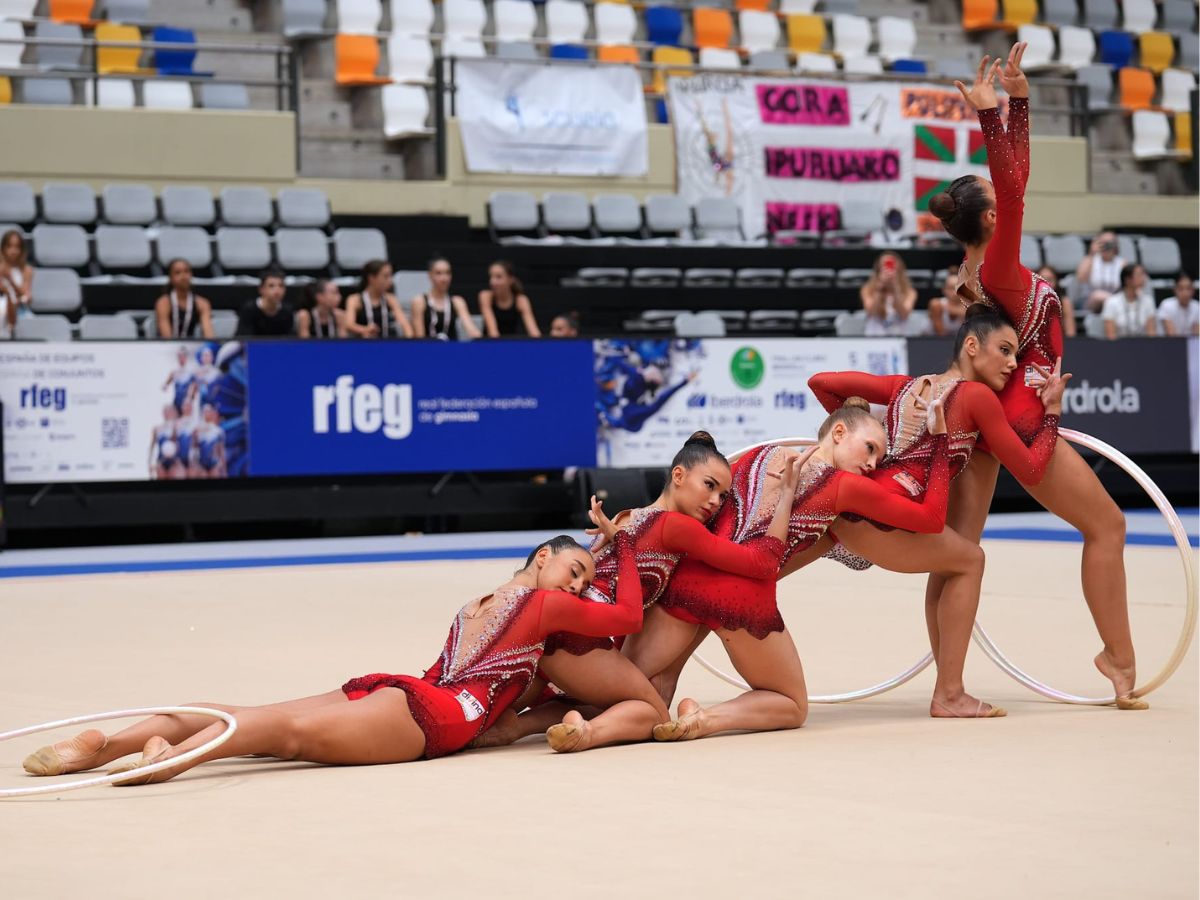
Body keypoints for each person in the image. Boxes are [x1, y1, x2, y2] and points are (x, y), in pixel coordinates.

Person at [20, 534, 644, 783]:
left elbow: (534, 703)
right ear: (542, 557)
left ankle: (108, 744)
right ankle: (163, 763)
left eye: (587, 578)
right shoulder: (541, 610)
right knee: (279, 733)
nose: (579, 586)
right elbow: (627, 619)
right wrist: (627, 551)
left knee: (255, 716)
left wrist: (596, 548)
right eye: (574, 570)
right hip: (435, 714)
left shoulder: (482, 600)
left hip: (405, 690)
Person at [933, 44, 1142, 708]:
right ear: (993, 220)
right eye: (1000, 201)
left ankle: (949, 687)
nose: (1011, 196)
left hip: (987, 405)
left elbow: (1014, 179)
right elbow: (1015, 181)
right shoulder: (997, 270)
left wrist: (1018, 102)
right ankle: (1119, 656)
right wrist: (997, 115)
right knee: (1108, 527)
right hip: (1019, 410)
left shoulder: (978, 270)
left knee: (959, 549)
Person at [476, 431, 801, 752]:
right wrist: (786, 492)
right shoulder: (676, 526)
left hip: (558, 629)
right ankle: (587, 732)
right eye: (709, 486)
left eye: (723, 496)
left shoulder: (627, 516)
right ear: (678, 475)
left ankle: (518, 726)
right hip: (578, 635)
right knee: (652, 712)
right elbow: (762, 564)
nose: (715, 502)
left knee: (609, 700)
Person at [411, 256, 479, 340]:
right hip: (428, 350)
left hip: (452, 350)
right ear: (430, 275)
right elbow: (419, 337)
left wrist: (482, 341)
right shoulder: (419, 301)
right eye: (438, 273)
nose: (444, 278)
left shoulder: (457, 301)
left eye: (447, 273)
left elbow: (471, 330)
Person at [344, 260, 412, 339]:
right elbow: (349, 324)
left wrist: (409, 340)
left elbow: (405, 325)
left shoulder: (391, 299)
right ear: (371, 278)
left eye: (391, 276)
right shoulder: (354, 299)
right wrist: (364, 329)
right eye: (386, 276)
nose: (390, 281)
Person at [860, 251, 919, 336]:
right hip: (875, 335)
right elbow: (871, 312)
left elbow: (904, 314)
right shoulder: (868, 289)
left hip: (899, 335)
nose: (888, 269)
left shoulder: (909, 291)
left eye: (891, 264)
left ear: (898, 267)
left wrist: (895, 289)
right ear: (879, 268)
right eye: (884, 265)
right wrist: (879, 288)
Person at [154, 259, 213, 339]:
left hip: (191, 347)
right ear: (170, 278)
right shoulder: (163, 303)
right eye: (177, 272)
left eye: (186, 271)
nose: (183, 276)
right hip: (167, 348)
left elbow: (209, 335)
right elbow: (166, 338)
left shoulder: (202, 303)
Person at [479, 260, 540, 337]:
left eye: (498, 277)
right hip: (490, 345)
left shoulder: (521, 300)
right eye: (491, 277)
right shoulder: (486, 296)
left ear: (511, 279)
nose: (492, 282)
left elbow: (534, 332)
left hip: (511, 345)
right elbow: (493, 332)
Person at [1102, 264, 1158, 338]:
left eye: (1144, 274)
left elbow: (1151, 333)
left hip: (1144, 345)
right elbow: (1110, 335)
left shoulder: (1148, 301)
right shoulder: (1111, 302)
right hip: (1118, 346)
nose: (1144, 278)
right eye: (1139, 275)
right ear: (1128, 279)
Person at [1075, 231, 1125, 313]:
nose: (1107, 246)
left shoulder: (1122, 263)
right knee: (1098, 296)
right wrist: (1091, 254)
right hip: (1091, 301)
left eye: (1110, 243)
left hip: (1115, 303)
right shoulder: (1090, 260)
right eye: (1103, 243)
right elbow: (1080, 279)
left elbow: (1126, 285)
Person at [236, 268, 295, 337]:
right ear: (261, 289)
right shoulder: (249, 309)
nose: (277, 291)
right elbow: (243, 339)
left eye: (281, 286)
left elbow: (289, 340)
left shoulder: (287, 310)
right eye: (271, 286)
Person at [0, 229, 33, 317]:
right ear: (3, 248)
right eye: (9, 246)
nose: (13, 251)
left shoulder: (27, 270)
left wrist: (10, 280)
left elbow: (26, 296)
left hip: (20, 310)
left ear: (22, 250)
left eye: (17, 247)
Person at [1036, 266, 1076, 337]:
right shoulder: (1031, 302)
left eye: (1050, 279)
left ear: (1056, 281)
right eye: (1042, 279)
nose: (1046, 283)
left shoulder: (1064, 302)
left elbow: (1070, 331)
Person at [1157, 272, 1199, 336]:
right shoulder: (1166, 305)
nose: (1185, 293)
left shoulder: (1197, 307)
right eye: (1181, 289)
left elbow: (1197, 336)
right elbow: (1172, 335)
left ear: (1193, 290)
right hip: (1169, 344)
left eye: (1188, 288)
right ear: (1175, 289)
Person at [148, 404, 183, 480]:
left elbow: (179, 443)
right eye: (166, 412)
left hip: (174, 461)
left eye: (170, 411)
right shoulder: (157, 428)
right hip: (161, 460)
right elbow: (152, 447)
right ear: (163, 413)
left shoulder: (177, 426)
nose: (168, 414)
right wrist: (150, 463)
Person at [927, 269, 965, 336]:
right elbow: (941, 335)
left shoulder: (968, 307)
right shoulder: (936, 304)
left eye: (958, 288)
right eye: (951, 288)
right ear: (944, 290)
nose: (955, 293)